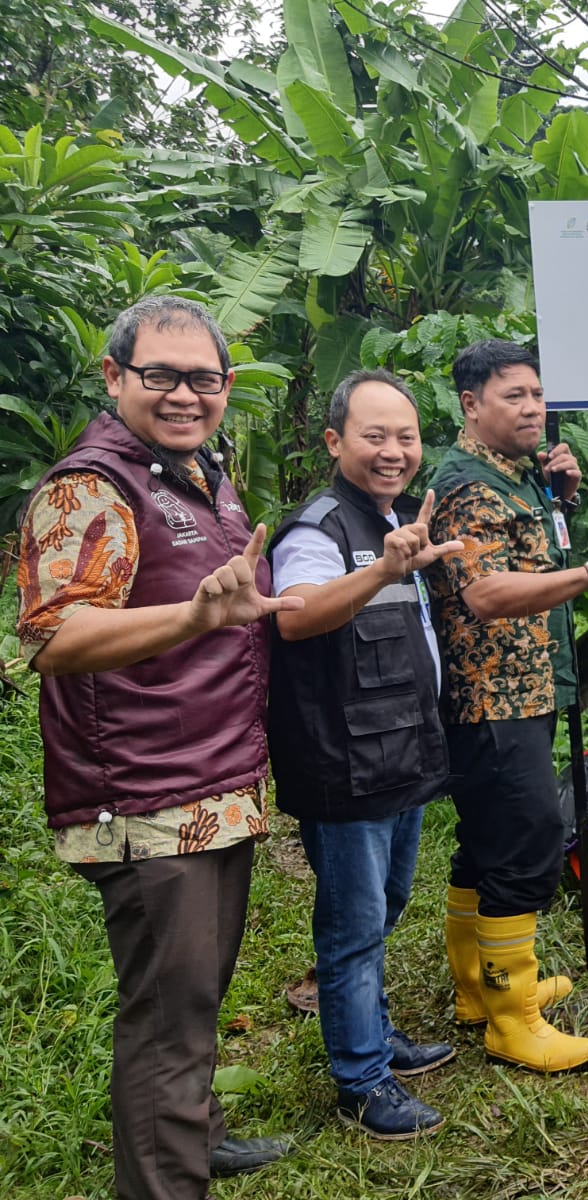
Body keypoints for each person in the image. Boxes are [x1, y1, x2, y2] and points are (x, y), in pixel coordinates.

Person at [15, 297, 298, 1199]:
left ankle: (199, 1134)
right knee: (168, 1020)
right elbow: (53, 638)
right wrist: (194, 615)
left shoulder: (197, 470)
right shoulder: (90, 488)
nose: (184, 394)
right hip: (144, 798)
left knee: (197, 997)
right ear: (115, 379)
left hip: (214, 783)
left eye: (203, 378)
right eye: (160, 376)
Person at [425, 340, 588, 1072]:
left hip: (524, 688)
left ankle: (475, 991)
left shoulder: (512, 476)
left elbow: (525, 560)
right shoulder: (467, 486)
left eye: (537, 395)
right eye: (514, 395)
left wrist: (562, 500)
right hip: (493, 696)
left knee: (488, 843)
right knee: (528, 845)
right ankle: (511, 1020)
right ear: (471, 405)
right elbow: (484, 593)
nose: (532, 407)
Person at [267, 370, 465, 1138]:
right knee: (352, 927)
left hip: (400, 756)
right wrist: (383, 568)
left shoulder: (393, 518)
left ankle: (376, 1039)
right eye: (374, 436)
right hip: (344, 765)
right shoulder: (318, 530)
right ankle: (362, 1080)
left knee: (384, 906)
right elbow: (295, 617)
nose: (393, 451)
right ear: (334, 441)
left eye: (406, 437)